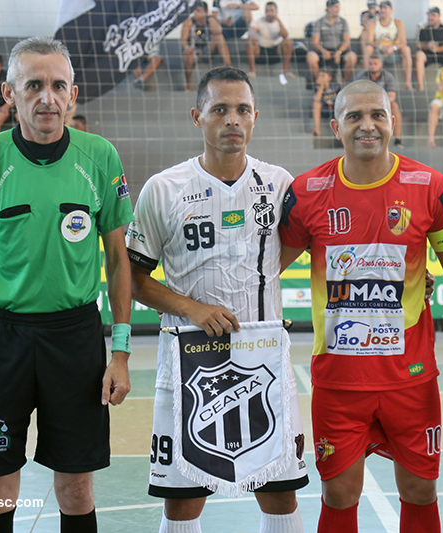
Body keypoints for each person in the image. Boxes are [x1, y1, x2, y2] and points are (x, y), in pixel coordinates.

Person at [0, 36, 134, 533]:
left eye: (58, 86)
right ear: (9, 93)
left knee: (77, 488)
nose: (47, 97)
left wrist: (120, 352)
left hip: (74, 339)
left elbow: (119, 260)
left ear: (73, 95)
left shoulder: (100, 157)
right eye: (33, 85)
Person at [279, 79, 443, 533]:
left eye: (377, 115)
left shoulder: (428, 187)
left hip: (409, 380)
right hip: (338, 381)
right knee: (338, 494)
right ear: (336, 126)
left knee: (420, 491)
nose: (367, 125)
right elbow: (262, 270)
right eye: (354, 116)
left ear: (393, 121)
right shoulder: (309, 190)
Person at [126, 66, 308, 533]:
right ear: (197, 117)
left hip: (262, 359)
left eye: (242, 110)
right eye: (220, 109)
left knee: (280, 492)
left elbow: (299, 249)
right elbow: (132, 278)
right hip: (190, 362)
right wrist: (193, 309)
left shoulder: (280, 183)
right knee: (183, 501)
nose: (233, 120)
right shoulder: (163, 189)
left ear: (255, 117)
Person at [181, 1, 231, 92]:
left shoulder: (210, 20)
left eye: (198, 10)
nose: (194, 13)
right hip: (193, 50)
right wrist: (187, 47)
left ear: (205, 12)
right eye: (194, 10)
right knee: (189, 55)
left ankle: (230, 68)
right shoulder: (189, 22)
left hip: (207, 49)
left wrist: (209, 18)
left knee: (219, 38)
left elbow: (218, 31)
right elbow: (183, 41)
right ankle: (189, 84)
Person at [356, 52, 403, 147]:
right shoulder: (361, 77)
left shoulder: (388, 77)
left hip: (382, 105)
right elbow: (357, 96)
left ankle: (398, 139)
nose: (372, 66)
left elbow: (392, 97)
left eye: (375, 64)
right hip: (365, 105)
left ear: (381, 64)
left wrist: (376, 104)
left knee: (395, 106)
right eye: (370, 64)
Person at [363, 1, 413, 90]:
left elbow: (403, 41)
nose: (382, 10)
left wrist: (392, 48)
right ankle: (364, 83)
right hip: (378, 51)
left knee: (406, 49)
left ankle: (408, 83)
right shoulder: (372, 22)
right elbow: (369, 41)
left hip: (393, 51)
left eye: (385, 8)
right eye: (381, 8)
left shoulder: (398, 22)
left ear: (391, 10)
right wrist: (381, 47)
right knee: (368, 48)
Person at [306, 0, 357, 83]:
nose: (338, 10)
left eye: (339, 7)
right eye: (336, 7)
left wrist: (339, 52)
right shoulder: (319, 22)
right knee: (311, 57)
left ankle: (344, 82)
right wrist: (323, 51)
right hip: (323, 50)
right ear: (328, 8)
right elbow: (315, 42)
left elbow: (347, 42)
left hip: (340, 50)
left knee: (352, 57)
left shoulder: (343, 22)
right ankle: (319, 83)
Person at [246, 1, 294, 80]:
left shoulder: (281, 22)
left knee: (288, 42)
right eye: (267, 11)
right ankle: (252, 71)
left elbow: (285, 35)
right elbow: (252, 31)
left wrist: (277, 19)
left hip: (276, 50)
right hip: (260, 50)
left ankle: (285, 71)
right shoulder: (258, 21)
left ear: (276, 12)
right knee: (249, 42)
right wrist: (253, 36)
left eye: (272, 10)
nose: (269, 13)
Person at [414, 6, 443, 91]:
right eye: (429, 15)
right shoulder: (422, 26)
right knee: (419, 55)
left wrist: (438, 49)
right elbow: (417, 44)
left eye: (433, 15)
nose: (431, 18)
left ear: (439, 17)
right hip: (428, 53)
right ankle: (420, 87)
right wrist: (428, 46)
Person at [311, 67, 341, 136]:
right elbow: (316, 99)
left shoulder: (336, 86)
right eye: (319, 76)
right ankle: (317, 129)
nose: (320, 78)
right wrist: (321, 86)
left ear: (329, 78)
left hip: (335, 110)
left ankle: (340, 136)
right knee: (316, 104)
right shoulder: (317, 87)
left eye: (323, 76)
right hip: (325, 109)